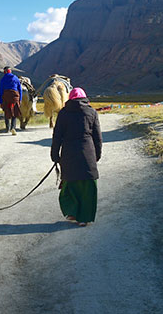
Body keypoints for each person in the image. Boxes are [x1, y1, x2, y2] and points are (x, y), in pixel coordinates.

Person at [50, 87, 102, 226]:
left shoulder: (63, 113)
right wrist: (97, 155)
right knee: (87, 188)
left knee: (69, 185)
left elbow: (57, 137)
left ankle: (72, 212)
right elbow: (97, 137)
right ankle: (84, 218)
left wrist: (55, 155)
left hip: (68, 154)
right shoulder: (92, 112)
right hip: (88, 153)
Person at [0, 66, 22, 135]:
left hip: (6, 97)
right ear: (10, 71)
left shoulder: (3, 79)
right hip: (15, 96)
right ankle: (13, 128)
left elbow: (1, 91)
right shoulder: (15, 78)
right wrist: (20, 99)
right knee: (14, 111)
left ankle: (7, 128)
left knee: (7, 111)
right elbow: (19, 89)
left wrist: (1, 101)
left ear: (4, 71)